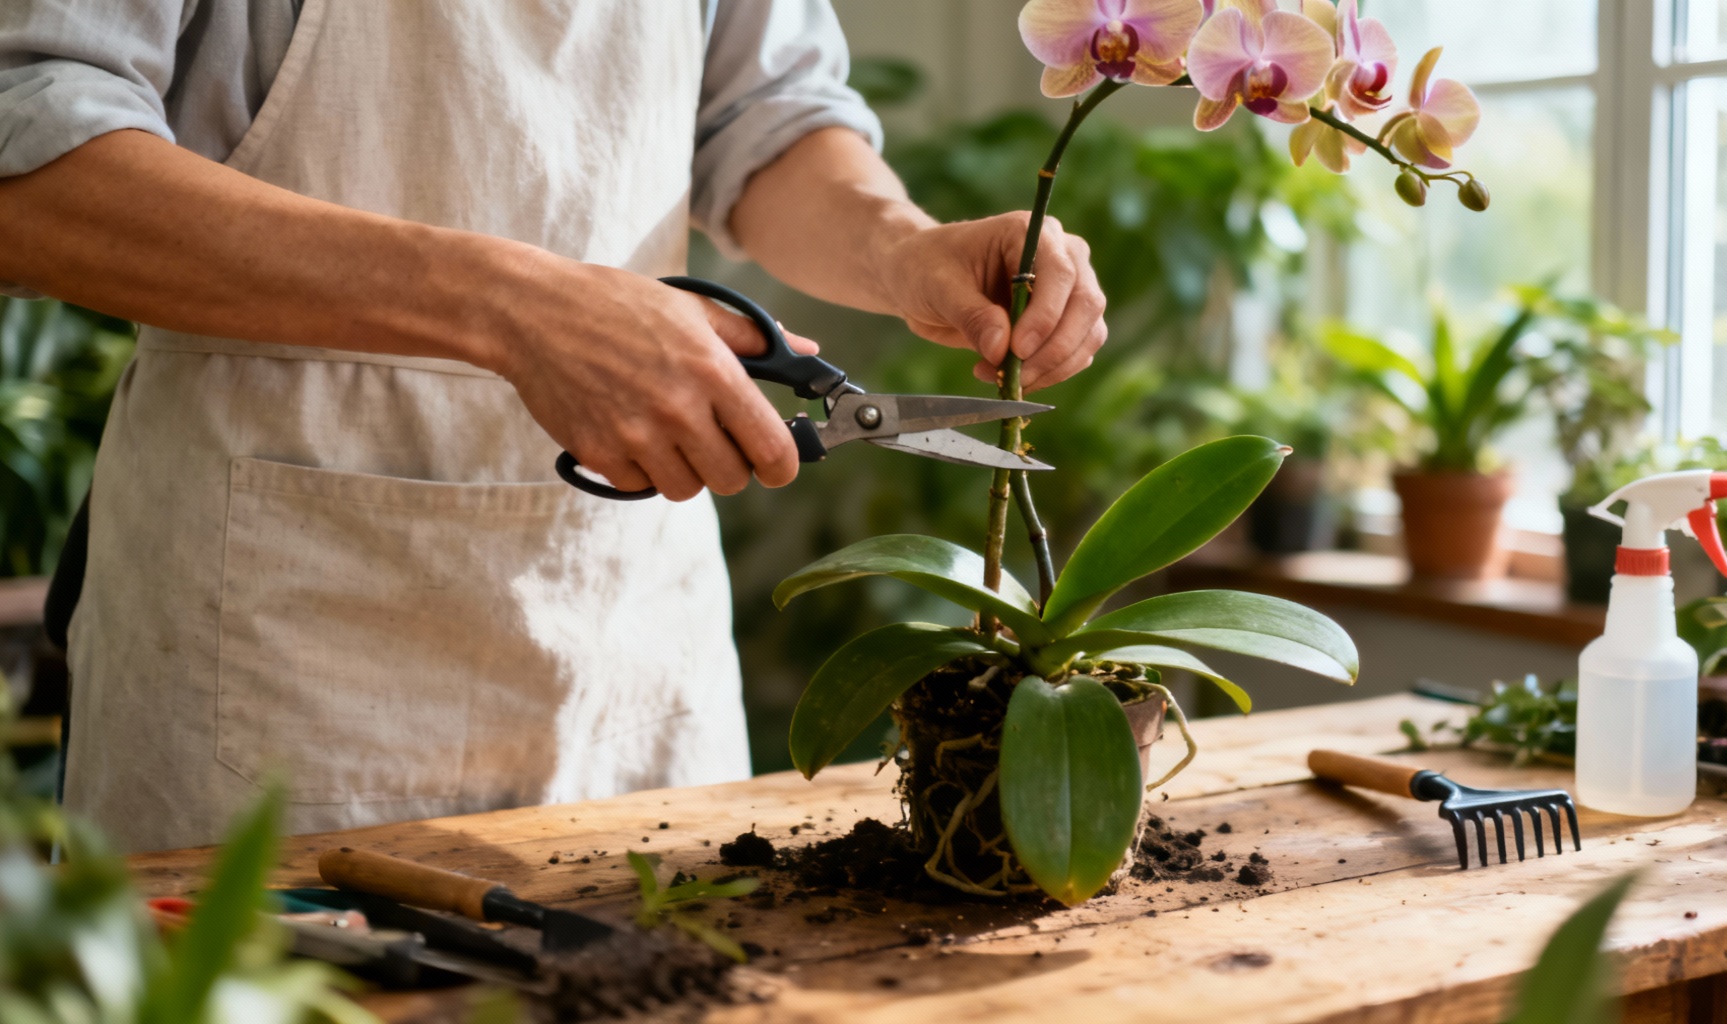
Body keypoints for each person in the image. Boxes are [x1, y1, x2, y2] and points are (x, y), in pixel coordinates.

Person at [0, 0, 1108, 852]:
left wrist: (897, 245)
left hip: (633, 640)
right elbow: (26, 164)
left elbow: (763, 115)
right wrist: (507, 305)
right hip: (278, 645)